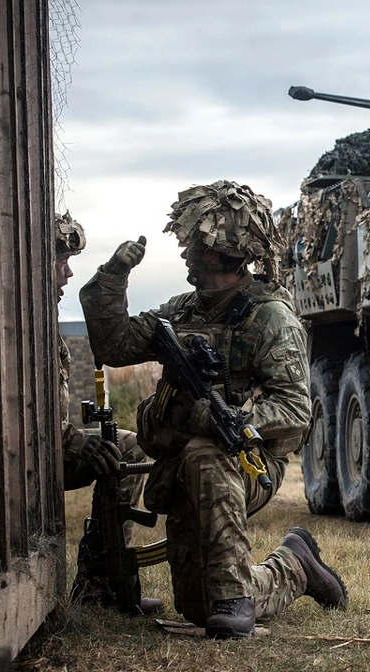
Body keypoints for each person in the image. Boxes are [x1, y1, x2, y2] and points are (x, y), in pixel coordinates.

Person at [78, 180, 347, 639]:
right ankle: (295, 565)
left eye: (195, 249)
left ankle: (235, 598)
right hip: (183, 465)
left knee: (208, 456)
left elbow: (294, 407)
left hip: (247, 462)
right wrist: (113, 278)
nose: (186, 257)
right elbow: (115, 344)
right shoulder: (181, 312)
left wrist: (234, 418)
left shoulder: (269, 318)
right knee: (198, 609)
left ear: (222, 253)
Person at [54, 212, 161, 614]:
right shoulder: (19, 322)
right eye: (60, 262)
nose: (66, 273)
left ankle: (102, 581)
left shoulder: (39, 317)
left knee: (126, 446)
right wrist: (78, 442)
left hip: (49, 447)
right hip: (26, 457)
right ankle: (101, 584)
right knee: (125, 450)